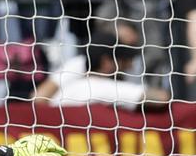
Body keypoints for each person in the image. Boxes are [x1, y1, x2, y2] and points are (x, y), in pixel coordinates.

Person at [32, 27, 170, 112]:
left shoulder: (68, 89)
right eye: (123, 60)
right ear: (106, 62)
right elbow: (161, 99)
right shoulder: (100, 88)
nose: (130, 66)